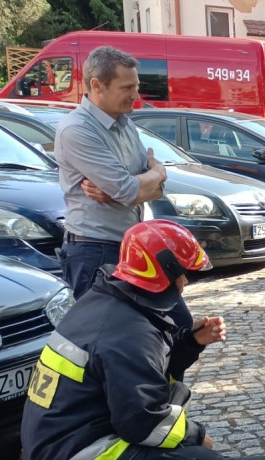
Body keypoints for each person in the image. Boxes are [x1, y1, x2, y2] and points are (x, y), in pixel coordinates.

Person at [21, 220, 229, 460]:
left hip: (64, 442)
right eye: (183, 273)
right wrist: (196, 435)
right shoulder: (128, 331)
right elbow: (141, 420)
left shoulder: (110, 301)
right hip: (75, 459)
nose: (186, 282)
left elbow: (142, 376)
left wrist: (191, 342)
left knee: (180, 442)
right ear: (164, 273)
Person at [54, 46, 169, 301]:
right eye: (127, 88)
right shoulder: (76, 129)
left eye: (136, 86)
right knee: (100, 337)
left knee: (168, 327)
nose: (135, 95)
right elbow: (129, 190)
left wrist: (151, 181)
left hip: (133, 245)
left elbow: (156, 191)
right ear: (97, 85)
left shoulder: (126, 123)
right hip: (94, 251)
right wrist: (155, 174)